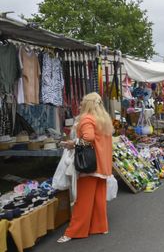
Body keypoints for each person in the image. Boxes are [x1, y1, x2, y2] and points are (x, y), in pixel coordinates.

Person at [57, 92, 113, 243]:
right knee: (98, 198)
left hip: (90, 165)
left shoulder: (87, 118)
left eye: (82, 102)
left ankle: (74, 232)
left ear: (87, 104)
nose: (80, 105)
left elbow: (88, 137)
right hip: (101, 165)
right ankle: (100, 227)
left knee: (83, 200)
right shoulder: (104, 119)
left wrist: (73, 143)